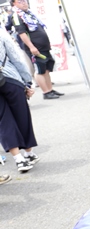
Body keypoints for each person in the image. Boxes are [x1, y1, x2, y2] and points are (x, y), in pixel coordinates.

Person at [0, 25, 39, 173]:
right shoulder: (2, 35)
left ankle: (18, 159)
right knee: (21, 115)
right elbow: (16, 59)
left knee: (3, 121)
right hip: (9, 78)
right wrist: (27, 82)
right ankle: (28, 153)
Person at [10, 0, 62, 100]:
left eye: (25, 0)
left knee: (46, 69)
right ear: (14, 4)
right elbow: (22, 33)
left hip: (43, 46)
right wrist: (31, 47)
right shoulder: (17, 15)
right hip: (35, 47)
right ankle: (46, 92)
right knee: (40, 70)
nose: (24, 3)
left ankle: (50, 89)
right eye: (20, 1)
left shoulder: (28, 13)